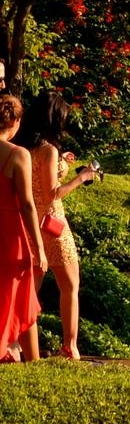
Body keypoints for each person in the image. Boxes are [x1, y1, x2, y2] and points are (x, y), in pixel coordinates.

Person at [25, 93, 99, 359]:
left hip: (30, 224)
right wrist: (82, 177)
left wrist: (63, 165)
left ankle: (22, 342)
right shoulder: (48, 150)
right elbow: (52, 193)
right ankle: (70, 346)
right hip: (53, 225)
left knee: (30, 290)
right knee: (70, 286)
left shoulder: (24, 147)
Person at [0, 95, 44, 362]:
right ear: (15, 122)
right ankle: (35, 360)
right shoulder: (18, 154)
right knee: (22, 295)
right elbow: (28, 204)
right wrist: (39, 247)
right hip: (9, 232)